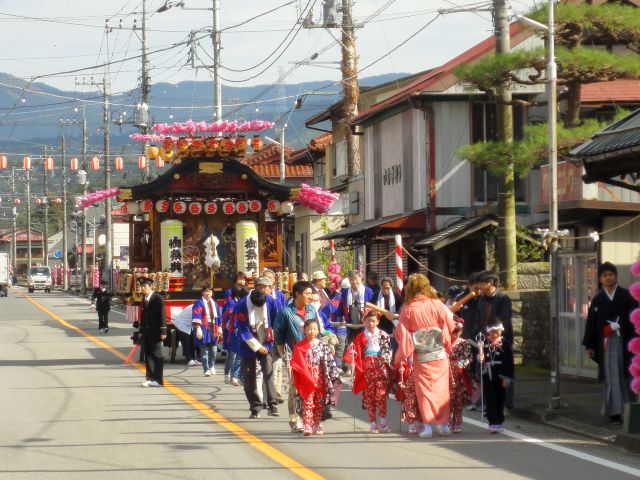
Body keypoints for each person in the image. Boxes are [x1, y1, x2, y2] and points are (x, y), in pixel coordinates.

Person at [393, 273, 456, 438]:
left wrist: (401, 355)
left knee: (425, 391)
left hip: (422, 356)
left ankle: (427, 426)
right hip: (439, 354)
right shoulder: (438, 305)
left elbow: (403, 333)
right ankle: (443, 425)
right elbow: (450, 324)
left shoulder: (407, 309)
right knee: (442, 390)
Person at [583, 262, 638, 424]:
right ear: (600, 279)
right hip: (606, 343)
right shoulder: (598, 300)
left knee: (626, 376)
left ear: (616, 276)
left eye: (611, 274)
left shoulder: (627, 296)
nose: (608, 278)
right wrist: (590, 345)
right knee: (612, 377)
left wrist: (624, 327)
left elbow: (635, 318)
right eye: (605, 275)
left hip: (625, 341)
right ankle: (614, 412)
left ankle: (630, 411)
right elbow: (592, 323)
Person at [273, 280, 319, 432]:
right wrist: (283, 354)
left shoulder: (312, 310)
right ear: (297, 294)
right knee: (295, 388)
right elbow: (278, 334)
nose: (310, 296)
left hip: (311, 355)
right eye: (307, 293)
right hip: (294, 355)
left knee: (311, 386)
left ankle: (309, 417)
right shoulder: (286, 312)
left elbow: (318, 329)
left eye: (311, 293)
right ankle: (294, 418)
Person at [235, 277, 280, 418]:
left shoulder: (271, 301)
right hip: (248, 342)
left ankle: (272, 404)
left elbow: (276, 322)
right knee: (249, 376)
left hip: (266, 338)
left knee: (269, 371)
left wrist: (267, 344)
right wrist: (257, 346)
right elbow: (243, 329)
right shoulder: (242, 304)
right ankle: (255, 406)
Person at [290, 319, 341, 436]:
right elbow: (297, 363)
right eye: (309, 329)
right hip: (306, 377)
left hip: (320, 377)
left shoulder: (322, 345)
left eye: (314, 329)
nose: (311, 331)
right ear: (304, 330)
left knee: (319, 402)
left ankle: (317, 423)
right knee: (307, 401)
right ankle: (307, 424)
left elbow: (329, 362)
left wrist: (334, 375)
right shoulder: (299, 346)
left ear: (318, 330)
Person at [353, 310, 393, 433]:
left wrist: (385, 358)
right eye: (369, 321)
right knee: (369, 396)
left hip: (380, 365)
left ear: (378, 322)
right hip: (367, 367)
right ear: (364, 321)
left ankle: (383, 421)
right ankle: (372, 423)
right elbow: (355, 352)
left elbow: (387, 349)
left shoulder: (383, 334)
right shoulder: (360, 336)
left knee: (381, 395)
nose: (371, 323)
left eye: (374, 321)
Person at [480, 317, 514, 433]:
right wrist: (480, 358)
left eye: (497, 332)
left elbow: (509, 362)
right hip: (488, 374)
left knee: (500, 398)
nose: (495, 334)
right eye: (493, 332)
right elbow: (480, 360)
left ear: (501, 331)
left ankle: (499, 420)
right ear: (489, 332)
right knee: (490, 398)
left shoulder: (505, 344)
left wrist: (507, 377)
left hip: (500, 374)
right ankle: (492, 421)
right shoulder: (484, 344)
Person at [337, 270, 374, 374]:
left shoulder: (368, 291)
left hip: (364, 323)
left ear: (360, 279)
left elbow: (372, 306)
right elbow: (341, 305)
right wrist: (340, 316)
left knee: (364, 344)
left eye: (356, 279)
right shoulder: (345, 292)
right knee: (350, 345)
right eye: (352, 280)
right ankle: (349, 366)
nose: (354, 282)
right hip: (351, 322)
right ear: (349, 280)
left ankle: (364, 366)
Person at [139, 277, 167, 387]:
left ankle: (158, 380)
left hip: (156, 331)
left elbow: (162, 316)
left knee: (157, 356)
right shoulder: (143, 299)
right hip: (146, 331)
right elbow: (143, 316)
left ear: (151, 287)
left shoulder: (158, 298)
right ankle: (150, 378)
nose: (142, 288)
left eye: (144, 286)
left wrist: (163, 331)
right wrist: (141, 330)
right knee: (148, 355)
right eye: (141, 286)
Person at [449, 318, 473, 433]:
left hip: (459, 374)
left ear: (461, 332)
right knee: (447, 399)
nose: (454, 335)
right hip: (446, 373)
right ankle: (447, 421)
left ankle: (457, 421)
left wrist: (461, 364)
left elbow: (468, 357)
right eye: (453, 332)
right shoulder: (445, 342)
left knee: (458, 399)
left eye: (457, 332)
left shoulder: (464, 343)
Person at [192, 283, 221, 377]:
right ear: (202, 292)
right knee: (204, 351)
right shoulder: (199, 303)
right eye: (206, 291)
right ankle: (206, 369)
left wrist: (220, 327)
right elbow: (196, 315)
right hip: (204, 327)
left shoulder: (214, 303)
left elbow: (218, 317)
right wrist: (198, 328)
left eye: (210, 291)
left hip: (214, 327)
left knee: (214, 350)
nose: (208, 293)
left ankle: (212, 365)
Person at [222, 285, 248, 386]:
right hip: (233, 332)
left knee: (239, 355)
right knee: (234, 355)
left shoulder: (238, 302)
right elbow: (228, 320)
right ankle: (231, 375)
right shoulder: (231, 303)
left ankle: (238, 376)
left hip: (238, 331)